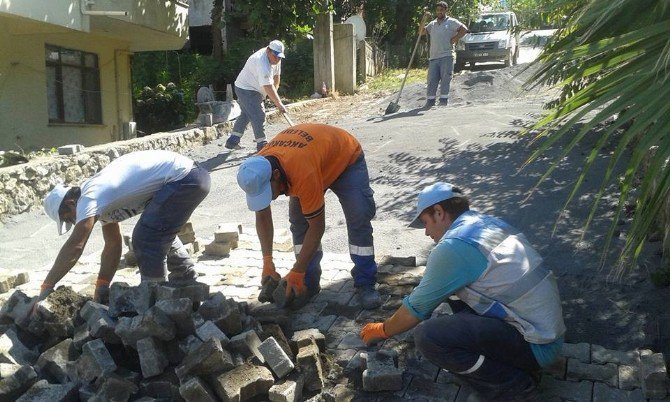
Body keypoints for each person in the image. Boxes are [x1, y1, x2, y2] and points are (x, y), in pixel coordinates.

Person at [360, 182, 565, 400]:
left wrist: (382, 330)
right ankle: (510, 363)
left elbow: (416, 309)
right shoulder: (486, 223)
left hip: (536, 345)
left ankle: (510, 385)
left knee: (429, 336)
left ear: (439, 212)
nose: (427, 232)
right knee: (452, 293)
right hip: (546, 332)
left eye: (426, 223)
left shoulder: (454, 246)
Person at [236, 123, 382, 310]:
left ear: (276, 175)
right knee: (299, 224)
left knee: (359, 215)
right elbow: (263, 216)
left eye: (268, 192)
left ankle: (365, 282)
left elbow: (317, 226)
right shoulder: (256, 169)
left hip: (345, 159)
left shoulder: (301, 172)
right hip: (313, 158)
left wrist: (296, 270)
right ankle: (308, 283)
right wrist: (267, 261)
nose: (269, 197)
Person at [40, 150, 210, 304]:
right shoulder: (100, 204)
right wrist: (102, 285)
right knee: (154, 229)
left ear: (70, 203)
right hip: (189, 177)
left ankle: (157, 301)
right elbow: (113, 245)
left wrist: (47, 287)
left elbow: (75, 246)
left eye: (68, 218)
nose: (72, 223)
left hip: (186, 178)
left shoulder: (89, 196)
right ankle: (185, 278)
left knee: (146, 238)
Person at [225, 40, 288, 152]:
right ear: (268, 50)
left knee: (247, 114)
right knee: (258, 115)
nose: (277, 60)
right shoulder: (261, 62)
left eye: (280, 57)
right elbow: (268, 86)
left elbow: (276, 77)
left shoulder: (276, 58)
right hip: (246, 89)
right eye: (275, 57)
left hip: (252, 88)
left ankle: (233, 140)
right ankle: (262, 145)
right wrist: (279, 104)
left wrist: (273, 96)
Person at [419, 1, 467, 108]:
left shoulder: (451, 22)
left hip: (447, 55)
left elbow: (464, 29)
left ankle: (443, 101)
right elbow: (421, 32)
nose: (439, 12)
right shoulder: (432, 24)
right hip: (434, 57)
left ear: (445, 10)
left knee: (445, 79)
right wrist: (424, 19)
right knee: (432, 80)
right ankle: (430, 101)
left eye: (441, 10)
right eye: (437, 10)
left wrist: (455, 38)